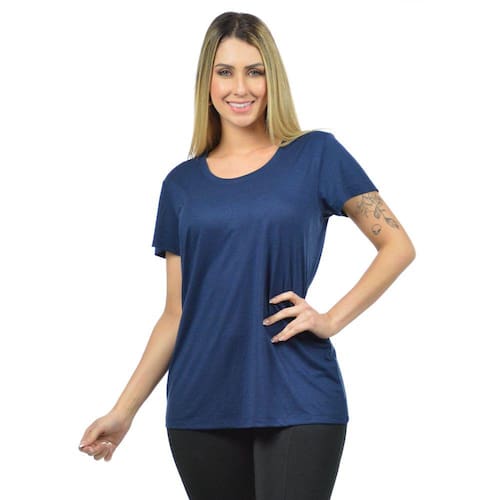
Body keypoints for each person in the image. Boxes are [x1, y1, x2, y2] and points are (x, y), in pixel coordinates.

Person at [78, 11, 416, 500]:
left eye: (254, 71)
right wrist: (123, 411)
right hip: (200, 403)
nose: (241, 87)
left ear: (272, 78)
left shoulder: (316, 154)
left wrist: (330, 320)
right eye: (225, 71)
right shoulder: (181, 186)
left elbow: (397, 246)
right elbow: (176, 313)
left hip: (299, 394)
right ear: (207, 82)